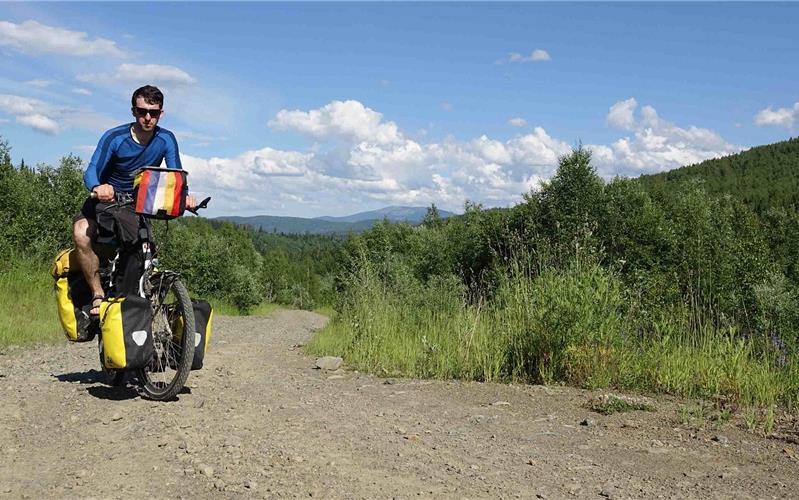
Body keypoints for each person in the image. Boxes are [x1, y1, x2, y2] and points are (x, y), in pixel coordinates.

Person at [72, 85, 196, 316]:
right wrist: (99, 186)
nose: (148, 118)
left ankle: (133, 296)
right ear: (133, 111)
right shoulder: (115, 137)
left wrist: (185, 196)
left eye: (154, 113)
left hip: (137, 203)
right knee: (81, 233)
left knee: (141, 246)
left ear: (161, 113)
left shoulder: (166, 138)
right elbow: (91, 171)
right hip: (105, 198)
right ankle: (97, 294)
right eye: (142, 111)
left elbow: (175, 174)